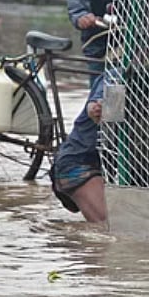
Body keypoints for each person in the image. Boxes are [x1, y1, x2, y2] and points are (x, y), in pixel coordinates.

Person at [51, 73, 109, 224]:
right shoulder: (114, 77)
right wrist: (97, 108)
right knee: (108, 225)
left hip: (112, 168)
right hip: (78, 165)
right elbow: (95, 107)